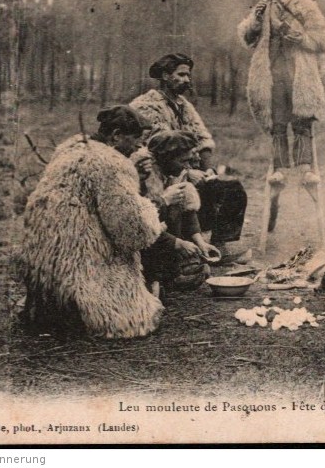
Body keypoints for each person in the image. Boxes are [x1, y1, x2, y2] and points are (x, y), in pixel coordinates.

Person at [14, 106, 203, 338]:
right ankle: (81, 317)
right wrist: (162, 202)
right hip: (80, 262)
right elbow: (131, 230)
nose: (140, 148)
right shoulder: (111, 163)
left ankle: (46, 311)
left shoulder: (71, 150)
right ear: (115, 136)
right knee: (136, 317)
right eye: (136, 140)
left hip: (43, 259)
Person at [131, 53, 248, 258]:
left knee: (232, 188)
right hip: (159, 178)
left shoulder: (183, 105)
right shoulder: (146, 106)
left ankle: (220, 245)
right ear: (166, 76)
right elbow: (159, 152)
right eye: (181, 75)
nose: (187, 80)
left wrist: (208, 170)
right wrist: (187, 172)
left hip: (186, 173)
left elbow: (202, 139)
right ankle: (176, 248)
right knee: (182, 198)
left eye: (188, 75)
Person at [237, 0, 325, 188]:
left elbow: (323, 40)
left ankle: (305, 168)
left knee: (302, 119)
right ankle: (279, 169)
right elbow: (248, 39)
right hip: (274, 71)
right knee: (277, 121)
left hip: (301, 72)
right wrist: (256, 20)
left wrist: (302, 39)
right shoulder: (264, 7)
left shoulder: (307, 7)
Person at [136, 131, 227, 285]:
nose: (187, 167)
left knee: (177, 202)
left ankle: (174, 269)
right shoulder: (145, 176)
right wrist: (176, 243)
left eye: (189, 162)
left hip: (161, 234)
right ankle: (160, 276)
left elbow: (186, 209)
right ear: (165, 158)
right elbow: (141, 223)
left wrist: (200, 242)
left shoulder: (175, 172)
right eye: (182, 161)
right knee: (168, 205)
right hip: (143, 239)